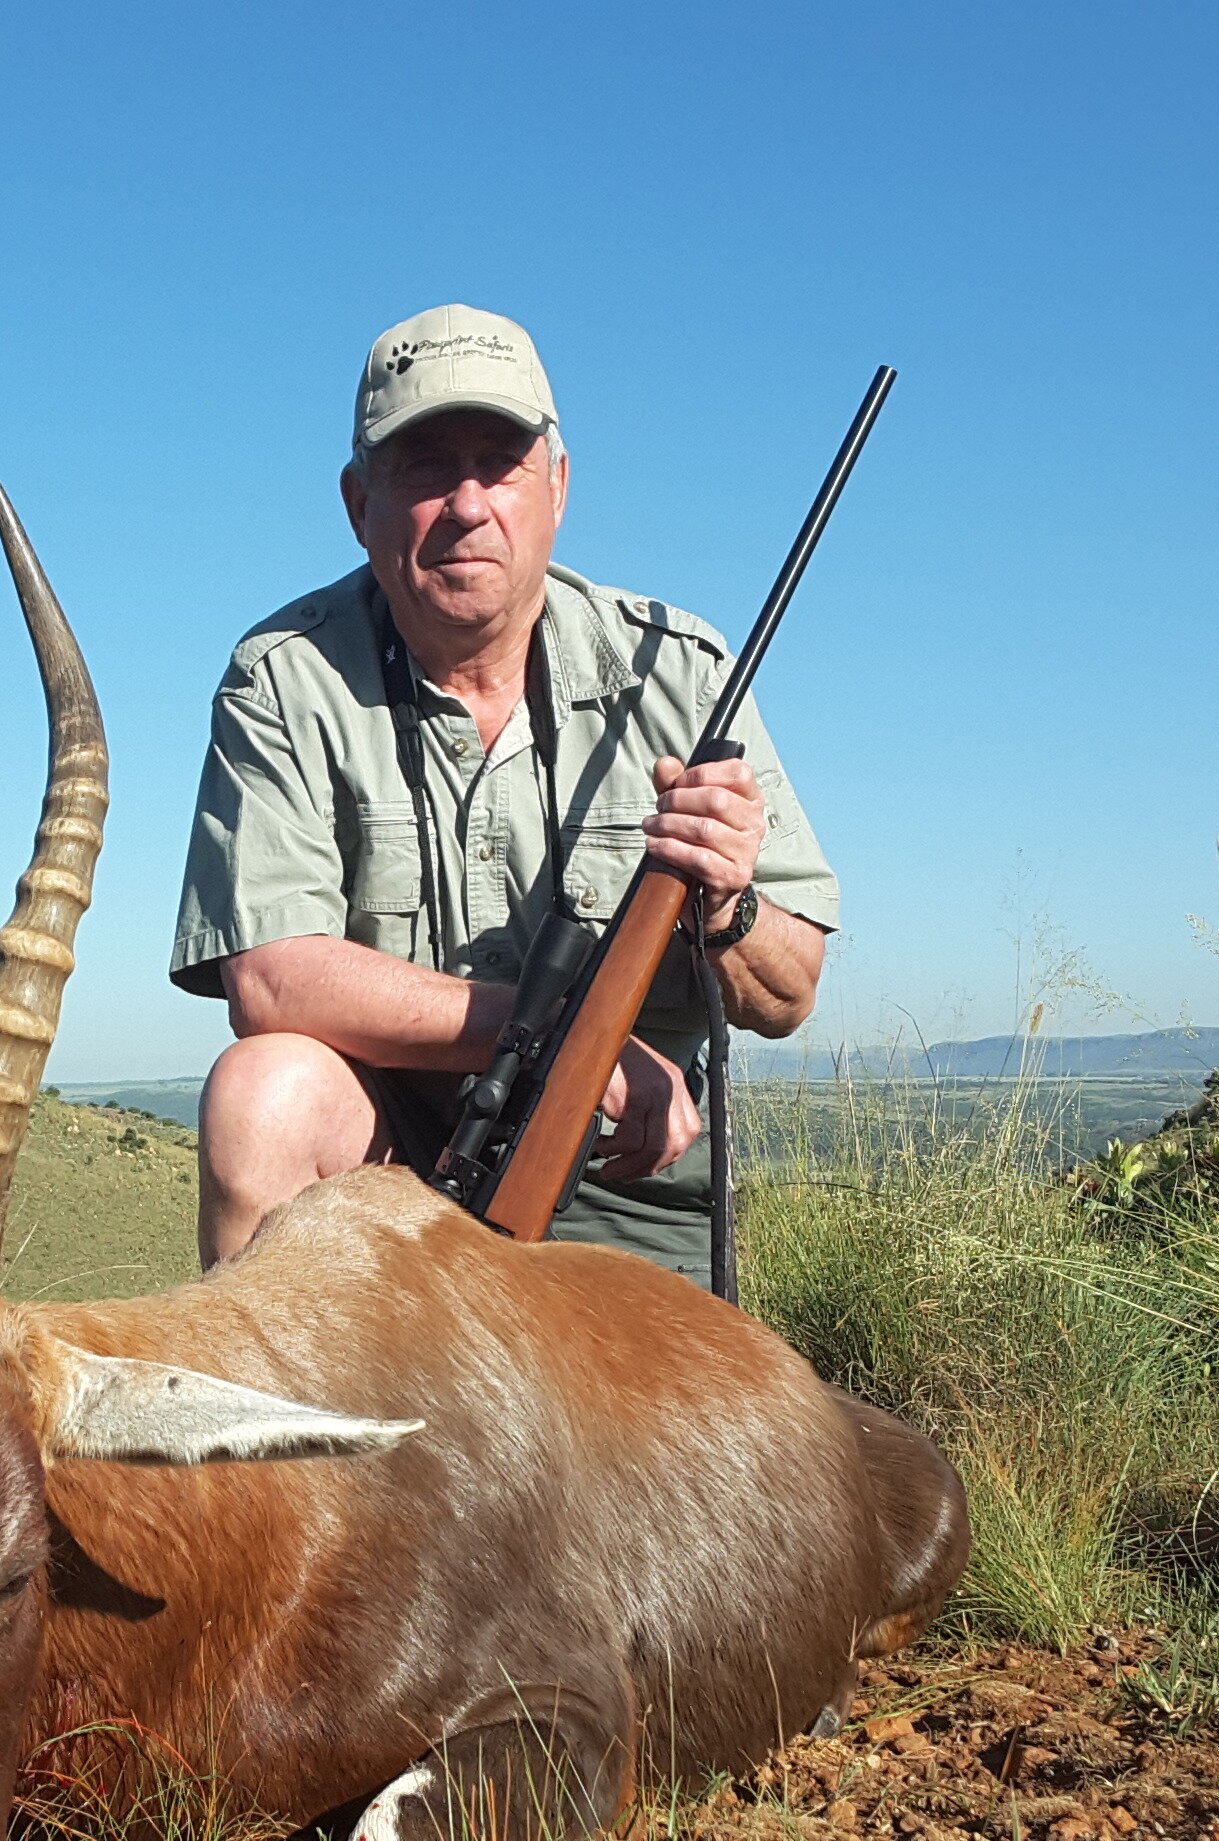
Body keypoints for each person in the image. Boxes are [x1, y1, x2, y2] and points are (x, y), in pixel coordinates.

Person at [173, 303, 839, 1273]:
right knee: (261, 1094)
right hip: (392, 1169)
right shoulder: (284, 676)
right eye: (427, 466)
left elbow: (789, 994)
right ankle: (286, 1425)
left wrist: (730, 905)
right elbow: (271, 978)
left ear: (558, 487)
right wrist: (567, 1037)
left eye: (501, 463)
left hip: (630, 1185)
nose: (469, 503)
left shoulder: (684, 673)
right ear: (361, 504)